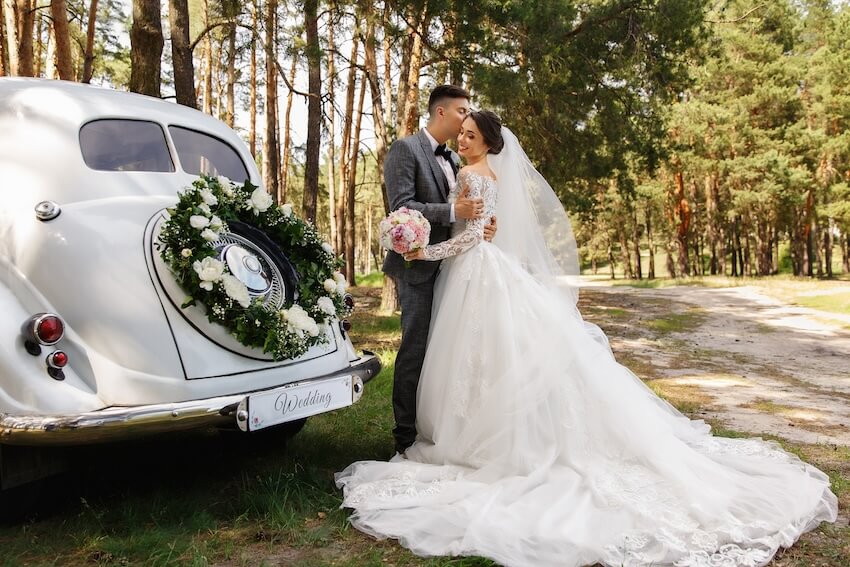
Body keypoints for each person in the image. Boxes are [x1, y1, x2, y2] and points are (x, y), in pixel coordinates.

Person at [337, 111, 838, 567]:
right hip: (484, 270)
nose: (462, 140)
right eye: (462, 133)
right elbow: (487, 226)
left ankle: (475, 440)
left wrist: (427, 253)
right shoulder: (486, 174)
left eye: (470, 135)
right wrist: (458, 236)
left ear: (487, 143)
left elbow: (473, 235)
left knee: (477, 354)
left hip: (474, 270)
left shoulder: (471, 173)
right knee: (486, 356)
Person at [382, 85, 496, 456]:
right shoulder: (406, 149)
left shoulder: (458, 160)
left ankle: (438, 428)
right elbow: (401, 206)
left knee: (445, 352)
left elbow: (471, 212)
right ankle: (404, 436)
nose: (468, 116)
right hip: (417, 264)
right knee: (414, 348)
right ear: (442, 113)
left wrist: (482, 227)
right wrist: (453, 214)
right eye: (463, 111)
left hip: (452, 265)